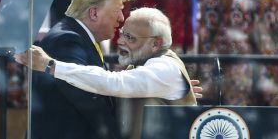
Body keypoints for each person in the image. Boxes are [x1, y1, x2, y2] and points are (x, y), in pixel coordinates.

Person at [16, 7, 201, 139]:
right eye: (122, 33)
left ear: (156, 43)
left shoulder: (165, 69)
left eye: (130, 37)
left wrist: (51, 65)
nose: (120, 41)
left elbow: (112, 83)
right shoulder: (147, 67)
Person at [28, 0, 135, 139]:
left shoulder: (76, 34)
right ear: (93, 13)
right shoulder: (67, 38)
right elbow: (86, 99)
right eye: (117, 11)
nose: (121, 18)